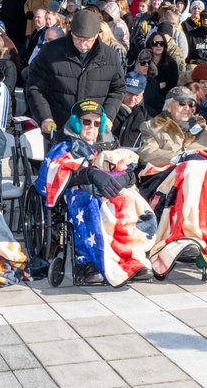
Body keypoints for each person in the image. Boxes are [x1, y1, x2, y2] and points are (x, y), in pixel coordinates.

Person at [36, 99, 154, 285]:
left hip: (109, 193)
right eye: (86, 122)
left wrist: (127, 177)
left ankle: (132, 258)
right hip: (76, 193)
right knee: (89, 201)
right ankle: (87, 263)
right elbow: (50, 175)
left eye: (97, 123)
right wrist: (88, 174)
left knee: (130, 199)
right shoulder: (64, 145)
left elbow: (126, 166)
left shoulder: (110, 145)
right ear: (76, 123)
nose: (92, 127)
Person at [26, 10, 125, 139]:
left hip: (93, 131)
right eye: (78, 38)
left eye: (88, 40)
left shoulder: (110, 57)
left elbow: (118, 90)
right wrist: (45, 117)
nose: (83, 44)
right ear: (71, 32)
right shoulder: (50, 52)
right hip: (58, 127)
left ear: (97, 35)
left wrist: (109, 117)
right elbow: (35, 86)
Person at [113, 70, 149, 147]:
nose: (132, 99)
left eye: (137, 95)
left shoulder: (148, 115)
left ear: (143, 93)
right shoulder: (110, 109)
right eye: (129, 93)